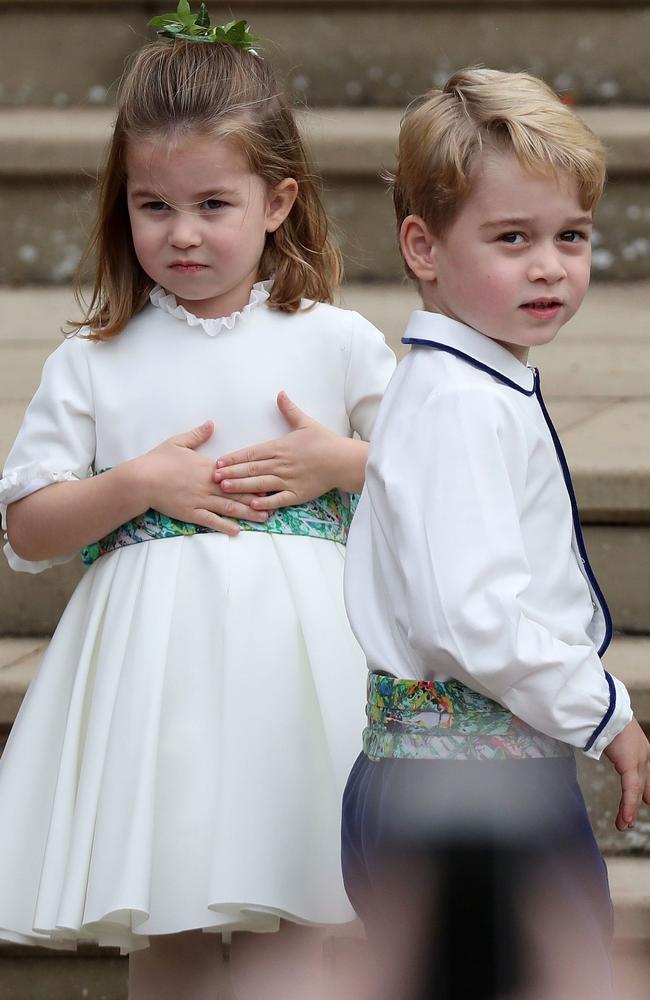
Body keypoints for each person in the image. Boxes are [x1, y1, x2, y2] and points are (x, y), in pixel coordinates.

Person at [0, 9, 395, 1000]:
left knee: (295, 916)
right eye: (152, 205)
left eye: (213, 203)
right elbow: (29, 524)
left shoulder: (335, 339)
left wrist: (338, 461)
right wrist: (133, 483)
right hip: (152, 675)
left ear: (277, 201)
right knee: (166, 909)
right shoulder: (92, 359)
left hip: (297, 669)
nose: (181, 233)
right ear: (119, 205)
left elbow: (434, 475)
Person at [342, 68, 650, 1000]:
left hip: (458, 777)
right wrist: (602, 707)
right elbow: (470, 616)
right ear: (422, 247)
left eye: (571, 237)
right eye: (512, 239)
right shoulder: (461, 405)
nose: (550, 265)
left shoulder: (463, 383)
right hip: (470, 792)